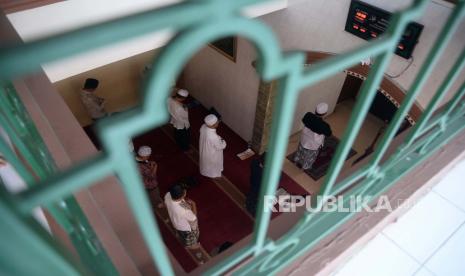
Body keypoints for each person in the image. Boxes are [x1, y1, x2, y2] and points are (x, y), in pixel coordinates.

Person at [294, 102, 332, 171]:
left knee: (301, 150)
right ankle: (304, 167)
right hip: (313, 143)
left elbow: (303, 120)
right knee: (309, 156)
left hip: (304, 138)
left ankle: (296, 161)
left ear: (315, 110)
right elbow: (329, 134)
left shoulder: (308, 115)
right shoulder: (324, 125)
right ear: (325, 113)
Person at [164, 184, 200, 249]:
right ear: (182, 196)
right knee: (190, 238)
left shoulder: (167, 195)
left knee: (180, 233)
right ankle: (191, 246)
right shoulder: (184, 210)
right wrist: (194, 204)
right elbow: (194, 218)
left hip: (175, 222)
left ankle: (178, 235)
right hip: (185, 229)